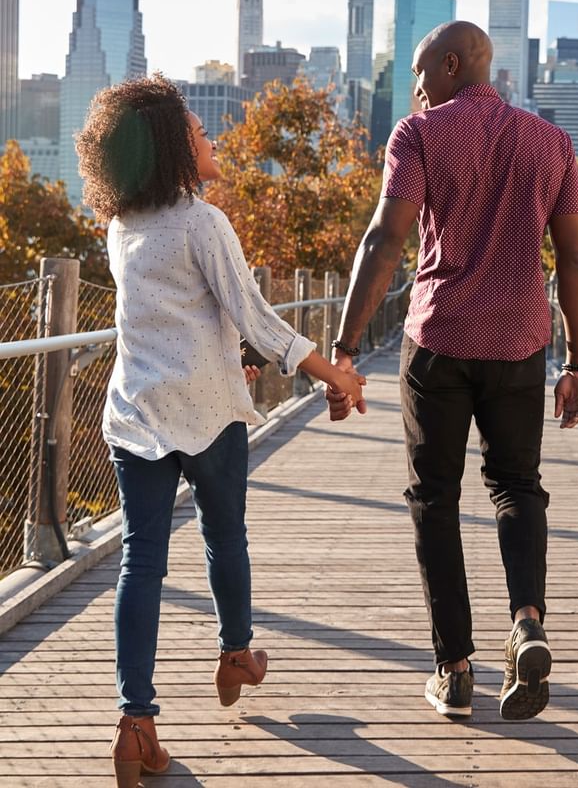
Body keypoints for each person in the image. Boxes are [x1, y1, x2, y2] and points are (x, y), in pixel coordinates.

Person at [76, 76, 365, 787]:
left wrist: (231, 352)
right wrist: (334, 374)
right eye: (202, 134)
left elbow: (171, 318)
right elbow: (257, 316)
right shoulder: (202, 222)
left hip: (137, 414)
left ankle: (135, 722)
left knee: (140, 563)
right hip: (207, 416)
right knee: (223, 536)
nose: (214, 141)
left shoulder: (123, 228)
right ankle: (236, 653)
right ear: (176, 148)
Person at [327, 21, 578, 721]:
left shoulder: (418, 136)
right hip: (519, 343)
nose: (415, 90)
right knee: (516, 487)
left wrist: (346, 347)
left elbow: (387, 238)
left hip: (439, 341)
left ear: (452, 65)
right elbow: (573, 260)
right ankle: (528, 621)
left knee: (433, 499)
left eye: (420, 74)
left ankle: (454, 669)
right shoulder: (553, 142)